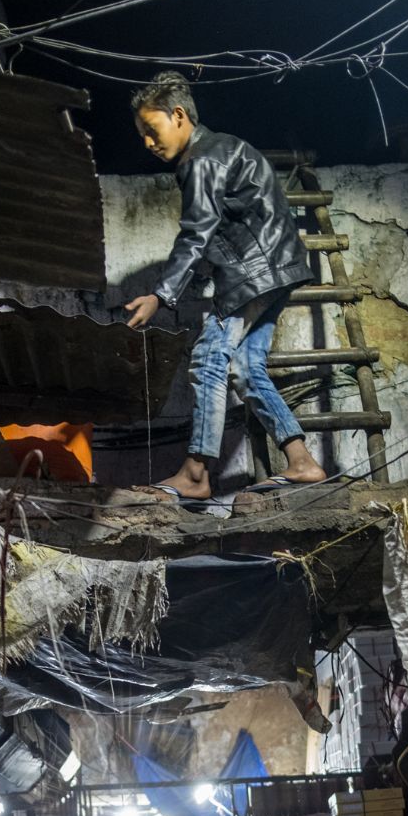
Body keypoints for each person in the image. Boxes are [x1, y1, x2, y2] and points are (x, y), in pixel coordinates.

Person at [125, 71, 327, 503]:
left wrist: (161, 294)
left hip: (254, 274)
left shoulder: (202, 158)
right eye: (141, 134)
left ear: (178, 115)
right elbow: (218, 234)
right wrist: (195, 280)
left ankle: (196, 473)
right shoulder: (220, 149)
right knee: (246, 368)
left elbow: (197, 232)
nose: (147, 142)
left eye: (151, 129)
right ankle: (303, 461)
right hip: (278, 270)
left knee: (209, 361)